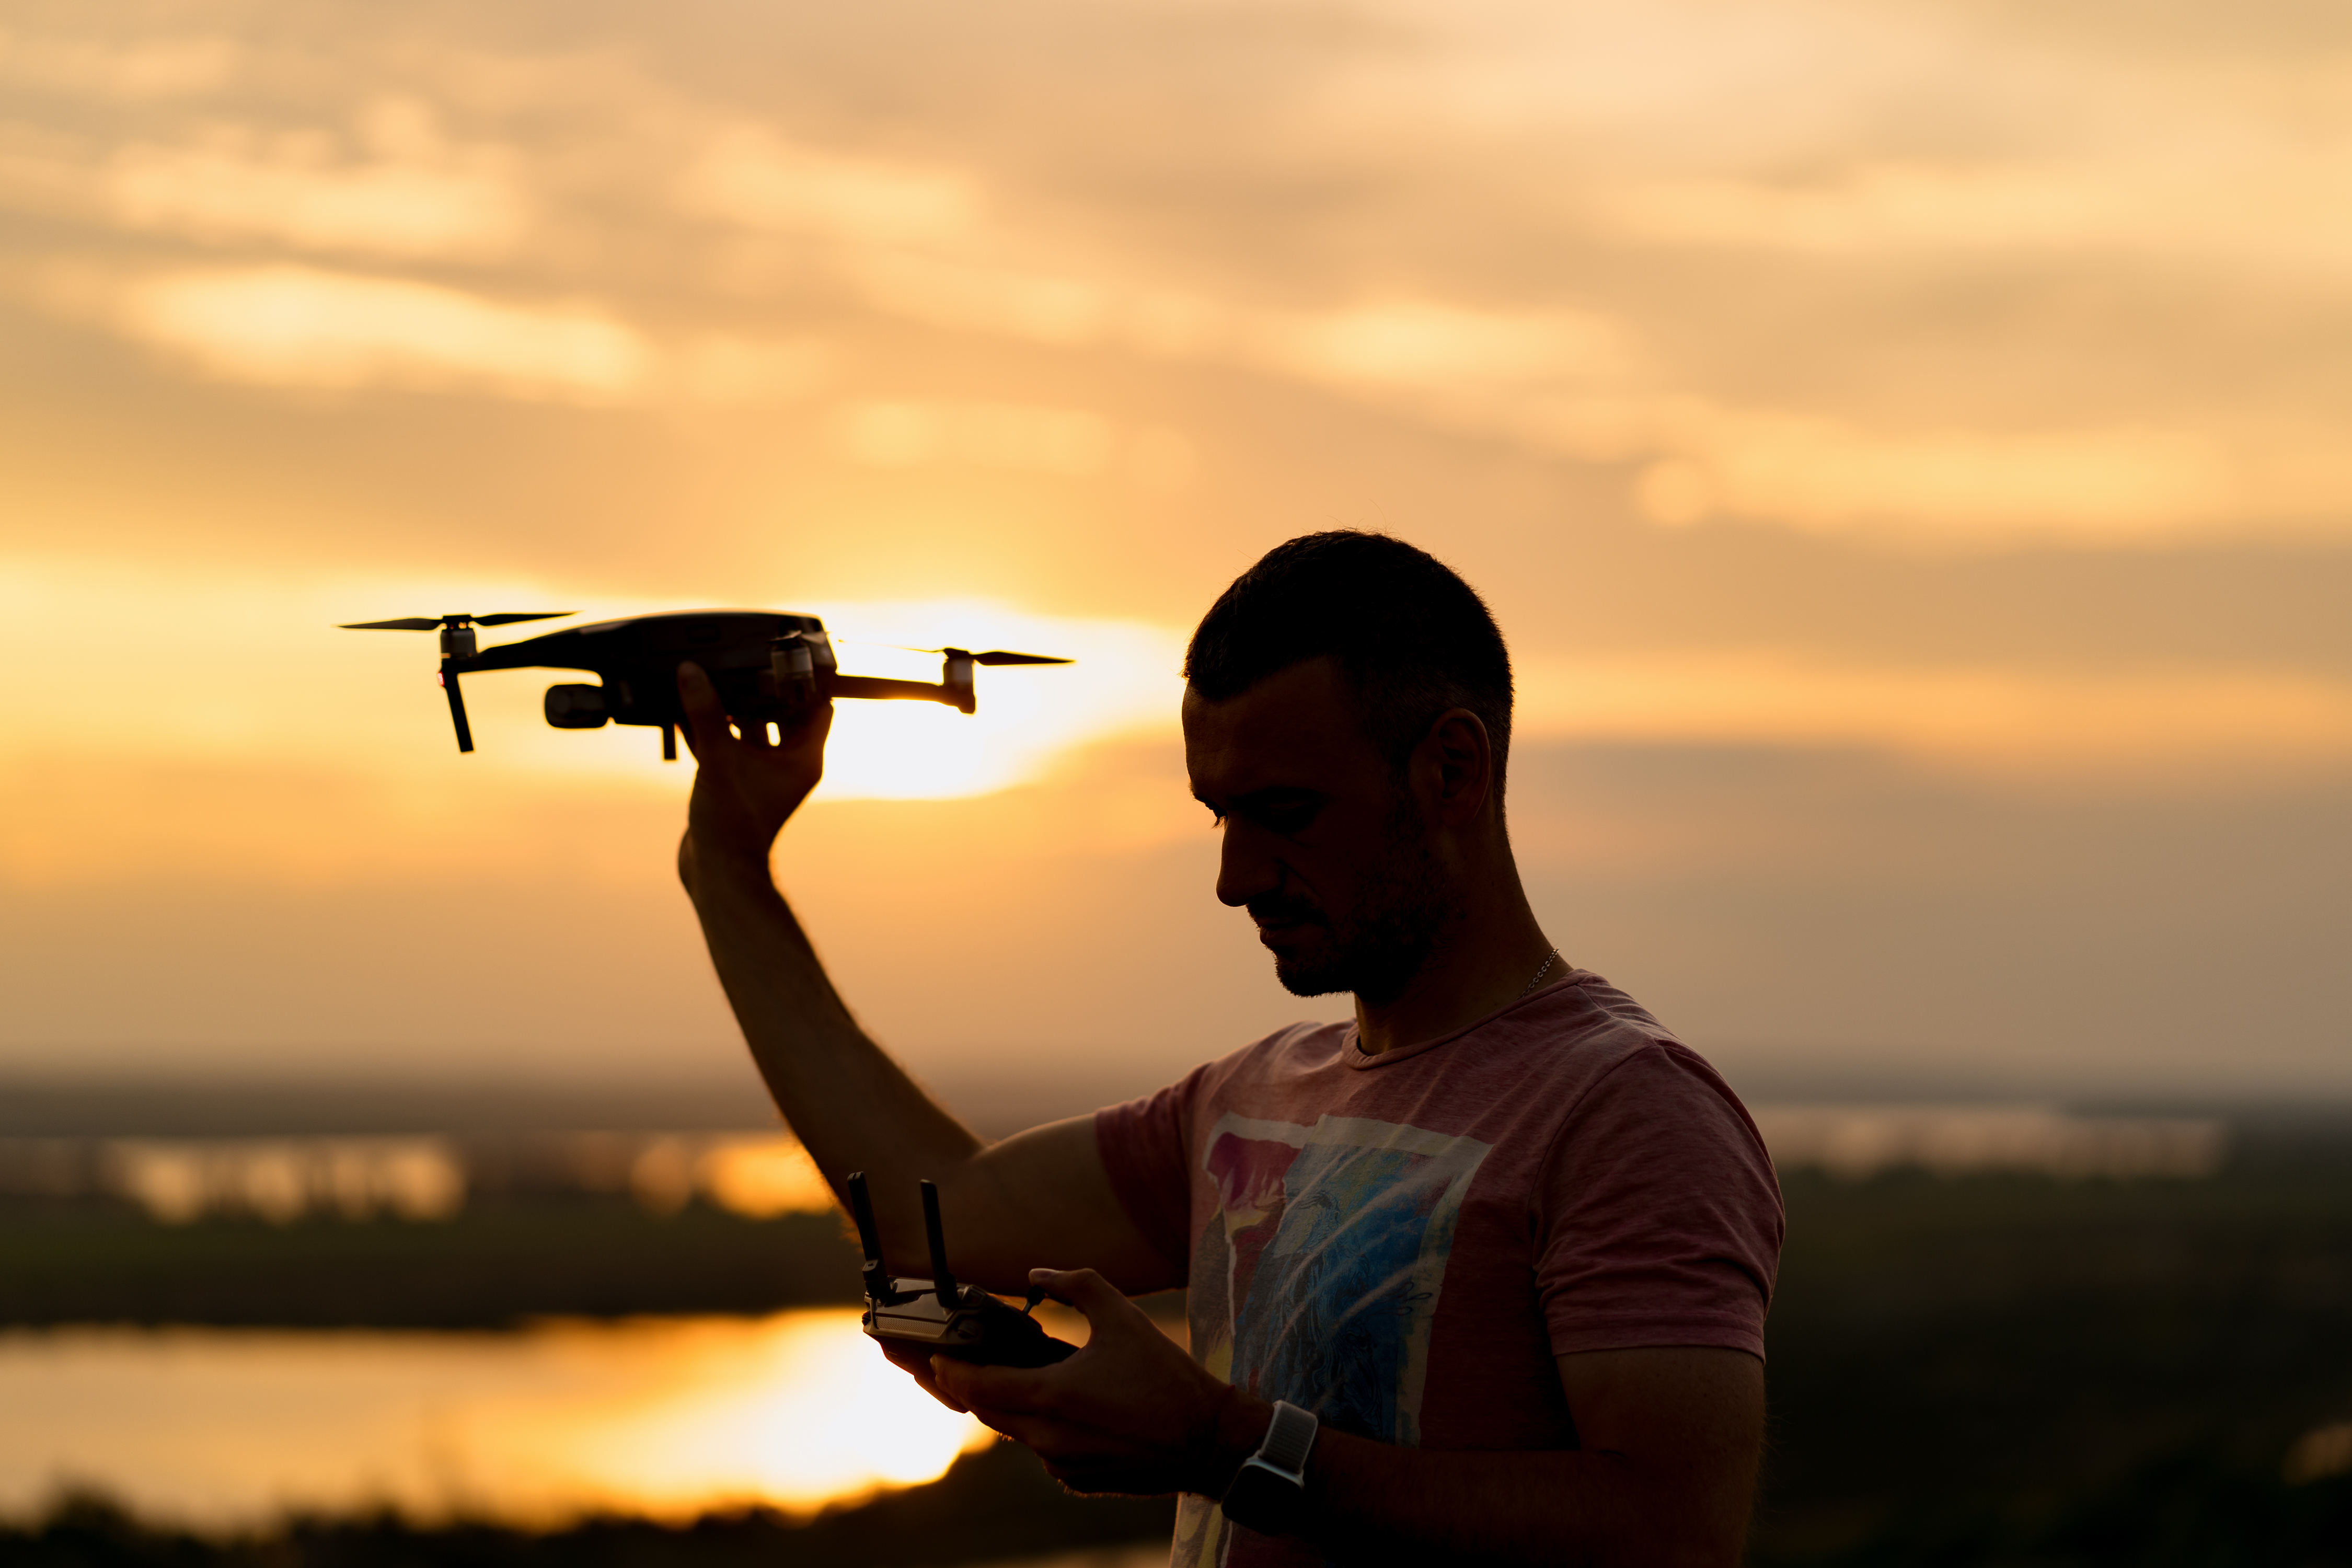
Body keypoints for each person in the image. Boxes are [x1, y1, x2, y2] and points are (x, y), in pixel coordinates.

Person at [674, 531, 1783, 1567]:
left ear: (1452, 771)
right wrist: (728, 870)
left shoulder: (1625, 1109)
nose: (1234, 877)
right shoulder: (1251, 1098)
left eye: (1286, 811)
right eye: (1219, 815)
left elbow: (1674, 1529)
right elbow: (941, 1211)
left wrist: (1222, 1445)